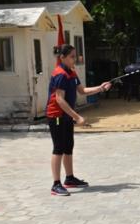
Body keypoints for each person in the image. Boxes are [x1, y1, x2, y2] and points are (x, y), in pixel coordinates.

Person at [46, 44, 112, 196]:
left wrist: (100, 88)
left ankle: (69, 178)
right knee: (59, 148)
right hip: (56, 115)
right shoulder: (60, 74)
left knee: (68, 146)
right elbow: (59, 100)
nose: (74, 59)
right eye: (72, 57)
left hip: (67, 115)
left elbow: (82, 91)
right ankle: (56, 184)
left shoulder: (71, 72)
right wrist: (78, 117)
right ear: (62, 58)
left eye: (75, 56)